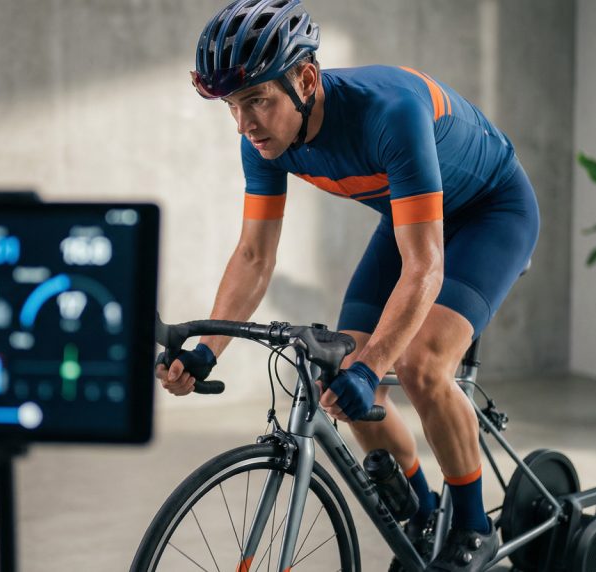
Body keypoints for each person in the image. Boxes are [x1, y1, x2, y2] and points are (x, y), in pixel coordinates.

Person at [154, 0, 539, 569]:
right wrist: (207, 353)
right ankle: (424, 512)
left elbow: (425, 267)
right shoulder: (262, 142)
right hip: (411, 214)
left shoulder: (391, 112)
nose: (245, 122)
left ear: (305, 78)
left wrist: (375, 361)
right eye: (233, 106)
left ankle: (473, 526)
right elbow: (255, 256)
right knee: (341, 376)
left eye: (258, 99)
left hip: (490, 213)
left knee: (420, 365)